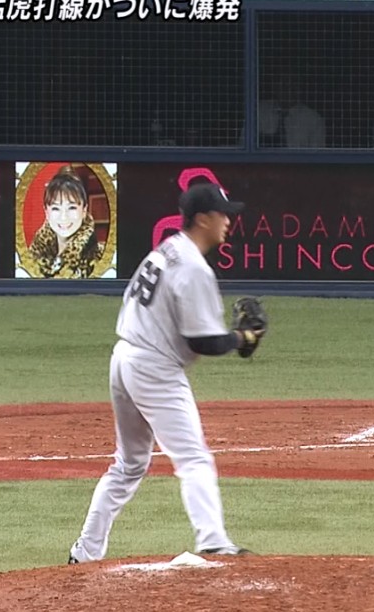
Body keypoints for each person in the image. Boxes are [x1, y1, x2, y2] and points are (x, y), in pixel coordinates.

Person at [68, 182, 263, 563]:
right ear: (203, 219)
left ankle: (85, 551)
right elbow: (203, 342)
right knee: (193, 457)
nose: (229, 221)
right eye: (223, 214)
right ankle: (214, 541)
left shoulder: (167, 249)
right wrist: (243, 338)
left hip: (124, 358)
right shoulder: (193, 268)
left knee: (128, 465)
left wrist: (235, 338)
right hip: (154, 368)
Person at [27, 166, 105, 279]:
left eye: (72, 208)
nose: (64, 217)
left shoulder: (99, 257)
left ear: (84, 210)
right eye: (56, 208)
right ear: (46, 212)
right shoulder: (33, 256)